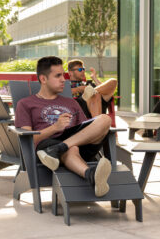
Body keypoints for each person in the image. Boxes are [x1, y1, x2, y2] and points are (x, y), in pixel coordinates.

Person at [14, 56, 113, 197]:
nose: (63, 80)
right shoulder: (25, 104)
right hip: (47, 147)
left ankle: (58, 149)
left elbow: (85, 131)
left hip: (69, 147)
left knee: (104, 119)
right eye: (58, 76)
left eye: (64, 75)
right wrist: (55, 127)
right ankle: (91, 175)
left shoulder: (71, 103)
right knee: (72, 148)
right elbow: (29, 139)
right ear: (43, 79)